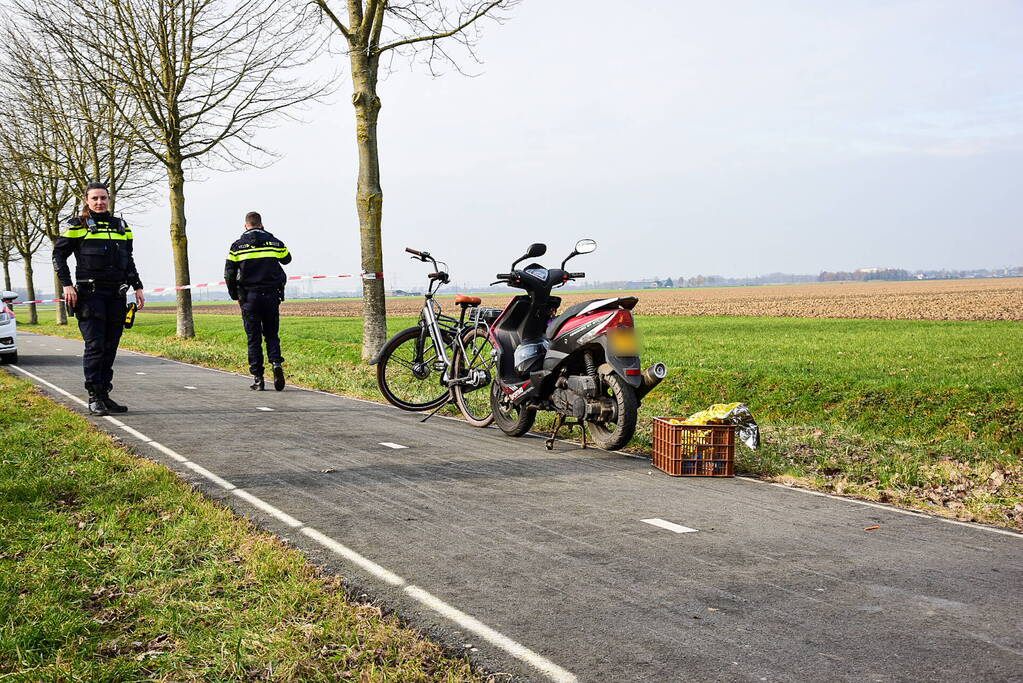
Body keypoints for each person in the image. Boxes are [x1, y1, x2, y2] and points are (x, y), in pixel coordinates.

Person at [52, 182, 145, 416]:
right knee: (95, 346)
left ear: (109, 199)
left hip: (116, 295)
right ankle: (94, 397)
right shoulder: (77, 225)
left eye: (103, 198)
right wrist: (66, 285)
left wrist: (138, 287)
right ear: (86, 200)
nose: (99, 202)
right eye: (94, 198)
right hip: (89, 295)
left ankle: (104, 395)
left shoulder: (121, 226)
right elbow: (59, 255)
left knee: (110, 347)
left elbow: (129, 259)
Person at [224, 211, 291, 391]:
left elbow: (229, 273)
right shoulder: (274, 242)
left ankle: (259, 379)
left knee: (253, 338)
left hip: (249, 298)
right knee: (271, 334)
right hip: (271, 295)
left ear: (246, 225)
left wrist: (235, 295)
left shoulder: (237, 246)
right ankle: (276, 364)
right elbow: (287, 259)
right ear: (261, 224)